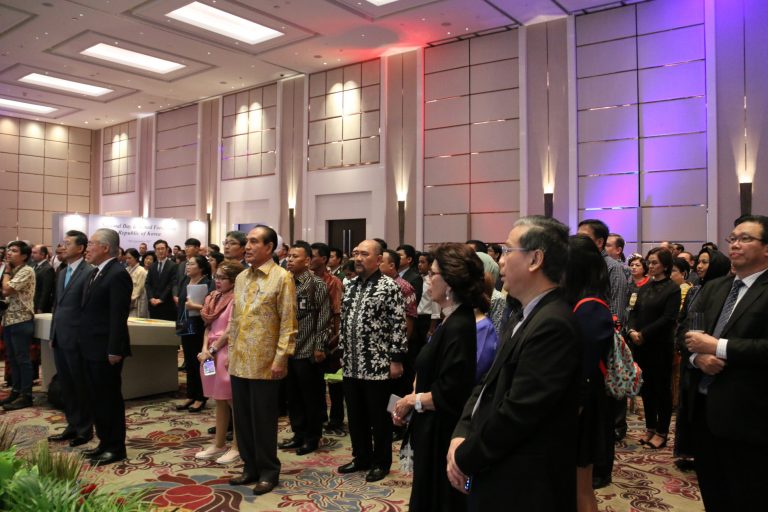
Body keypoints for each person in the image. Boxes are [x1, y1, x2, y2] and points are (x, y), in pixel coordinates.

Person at [447, 216, 582, 511]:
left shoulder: (554, 324)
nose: (501, 261)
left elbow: (519, 412)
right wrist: (461, 433)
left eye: (508, 251)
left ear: (535, 259)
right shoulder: (523, 313)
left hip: (524, 482)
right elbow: (487, 383)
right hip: (499, 467)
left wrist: (465, 456)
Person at [683, 215, 768, 511]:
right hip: (704, 409)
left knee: (748, 494)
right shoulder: (715, 287)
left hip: (750, 414)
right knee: (713, 491)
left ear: (766, 248)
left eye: (746, 239)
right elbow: (686, 331)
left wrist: (718, 347)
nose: (735, 245)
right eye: (732, 239)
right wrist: (697, 357)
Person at [392, 243, 482, 512]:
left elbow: (451, 389)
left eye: (432, 274)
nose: (428, 279)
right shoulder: (450, 319)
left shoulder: (460, 325)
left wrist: (412, 401)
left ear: (450, 282)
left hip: (442, 429)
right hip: (431, 425)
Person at [226, 225, 297, 495]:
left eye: (254, 242)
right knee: (242, 419)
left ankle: (268, 470)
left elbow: (288, 322)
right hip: (239, 359)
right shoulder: (241, 277)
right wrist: (230, 352)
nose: (247, 246)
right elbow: (235, 320)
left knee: (263, 420)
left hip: (266, 362)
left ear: (269, 247)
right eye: (247, 241)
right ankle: (250, 467)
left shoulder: (282, 277)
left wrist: (281, 358)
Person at [337, 239, 407, 483]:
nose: (358, 258)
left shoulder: (389, 287)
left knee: (378, 417)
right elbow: (344, 321)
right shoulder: (350, 285)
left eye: (364, 254)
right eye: (356, 253)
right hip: (352, 363)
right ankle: (361, 457)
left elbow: (398, 324)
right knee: (355, 415)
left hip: (377, 364)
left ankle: (381, 462)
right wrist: (342, 352)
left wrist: (396, 359)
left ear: (378, 260)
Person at [564, 235, 614, 512]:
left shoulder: (591, 306)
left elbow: (586, 366)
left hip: (583, 404)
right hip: (579, 400)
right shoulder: (580, 301)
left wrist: (575, 407)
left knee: (581, 487)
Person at [673, 247, 731, 472]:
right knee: (690, 411)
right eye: (699, 261)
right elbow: (684, 323)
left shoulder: (726, 291)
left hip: (719, 366)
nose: (699, 266)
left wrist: (712, 348)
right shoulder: (696, 290)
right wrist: (695, 355)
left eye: (705, 262)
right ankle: (691, 452)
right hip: (693, 358)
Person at [79, 228, 132, 464]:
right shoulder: (96, 272)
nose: (87, 248)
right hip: (91, 346)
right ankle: (104, 442)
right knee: (96, 397)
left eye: (92, 244)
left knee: (109, 398)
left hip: (106, 350)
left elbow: (117, 316)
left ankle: (116, 447)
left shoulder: (118, 274)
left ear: (105, 247)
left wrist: (114, 349)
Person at [279, 241, 331, 455]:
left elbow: (324, 317)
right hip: (288, 349)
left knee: (311, 397)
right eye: (289, 256)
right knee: (293, 396)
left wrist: (319, 346)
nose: (290, 260)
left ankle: (312, 437)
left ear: (307, 260)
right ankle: (298, 434)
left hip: (308, 348)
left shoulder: (316, 284)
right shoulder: (285, 281)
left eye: (295, 256)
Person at [626, 247, 680, 450]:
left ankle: (662, 432)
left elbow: (668, 319)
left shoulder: (672, 288)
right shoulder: (645, 286)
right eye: (649, 262)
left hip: (659, 345)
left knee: (661, 389)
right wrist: (632, 330)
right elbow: (633, 312)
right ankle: (650, 428)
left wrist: (644, 334)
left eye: (655, 262)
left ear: (665, 266)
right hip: (641, 345)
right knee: (646, 389)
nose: (650, 265)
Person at [47, 231, 95, 444]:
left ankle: (85, 429)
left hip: (78, 339)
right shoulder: (62, 271)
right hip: (60, 336)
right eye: (62, 243)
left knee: (80, 384)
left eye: (67, 244)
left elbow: (88, 310)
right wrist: (53, 333)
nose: (62, 247)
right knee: (66, 384)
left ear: (81, 248)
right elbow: (57, 306)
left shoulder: (89, 272)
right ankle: (72, 424)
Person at [195, 261, 245, 465]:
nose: (218, 281)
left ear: (233, 280)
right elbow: (208, 326)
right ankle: (219, 443)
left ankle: (237, 447)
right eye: (217, 277)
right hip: (210, 353)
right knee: (218, 399)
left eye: (223, 278)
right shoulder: (214, 297)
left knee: (232, 400)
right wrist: (205, 348)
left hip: (226, 351)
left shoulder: (237, 298)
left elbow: (231, 329)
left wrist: (213, 349)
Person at [1, 241, 37, 411]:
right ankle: (16, 391)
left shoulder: (27, 270)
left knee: (23, 359)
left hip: (21, 320)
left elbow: (7, 290)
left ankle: (26, 395)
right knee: (12, 358)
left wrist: (7, 272)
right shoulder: (14, 270)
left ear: (24, 256)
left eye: (14, 251)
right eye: (9, 250)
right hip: (9, 319)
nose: (9, 253)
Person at [176, 255, 213, 412]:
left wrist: (195, 307)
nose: (187, 266)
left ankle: (202, 396)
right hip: (185, 324)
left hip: (201, 326)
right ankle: (191, 394)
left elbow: (212, 308)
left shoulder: (208, 283)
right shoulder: (185, 280)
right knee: (189, 361)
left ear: (201, 267)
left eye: (191, 264)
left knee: (202, 361)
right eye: (187, 264)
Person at [146, 240, 177, 321]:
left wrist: (161, 299)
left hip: (167, 305)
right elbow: (147, 284)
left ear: (167, 250)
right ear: (155, 251)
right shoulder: (152, 266)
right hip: (153, 305)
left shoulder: (173, 266)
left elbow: (171, 284)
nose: (160, 251)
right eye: (158, 249)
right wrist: (151, 298)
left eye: (162, 248)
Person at [125, 248, 149, 318]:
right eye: (126, 258)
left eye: (129, 258)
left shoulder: (142, 271)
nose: (127, 260)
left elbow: (139, 289)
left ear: (135, 258)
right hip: (126, 300)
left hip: (137, 302)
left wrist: (129, 300)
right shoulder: (126, 269)